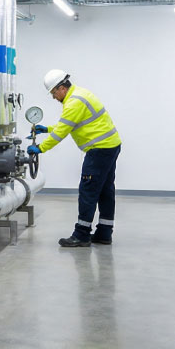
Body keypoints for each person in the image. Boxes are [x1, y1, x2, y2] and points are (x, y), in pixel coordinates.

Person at [28, 69, 122, 247]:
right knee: (105, 191)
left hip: (99, 150)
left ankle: (82, 234)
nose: (54, 97)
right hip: (110, 146)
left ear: (61, 88)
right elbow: (69, 123)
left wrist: (39, 148)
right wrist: (47, 128)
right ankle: (104, 233)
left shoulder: (73, 102)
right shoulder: (80, 94)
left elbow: (62, 131)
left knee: (88, 191)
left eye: (54, 93)